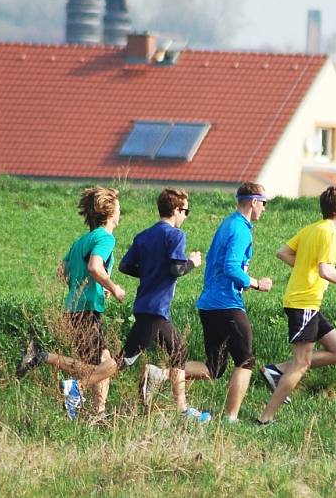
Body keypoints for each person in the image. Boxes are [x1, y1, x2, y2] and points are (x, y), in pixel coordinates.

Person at [257, 186, 336, 425]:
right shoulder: (329, 233)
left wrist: (304, 267)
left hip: (309, 304)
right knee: (301, 363)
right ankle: (266, 418)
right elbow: (325, 270)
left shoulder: (312, 229)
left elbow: (283, 252)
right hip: (303, 303)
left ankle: (276, 371)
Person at [16, 187, 124, 420]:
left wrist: (84, 285)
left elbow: (62, 272)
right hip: (87, 309)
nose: (120, 211)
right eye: (118, 206)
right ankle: (45, 359)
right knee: (103, 366)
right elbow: (95, 266)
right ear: (110, 212)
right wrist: (112, 287)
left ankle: (99, 412)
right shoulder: (105, 237)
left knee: (100, 360)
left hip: (74, 307)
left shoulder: (82, 240)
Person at [176, 182, 273, 423]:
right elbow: (231, 267)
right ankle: (231, 418)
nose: (265, 209)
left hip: (210, 303)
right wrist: (256, 283)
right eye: (264, 203)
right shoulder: (241, 230)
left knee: (214, 368)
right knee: (246, 360)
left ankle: (160, 374)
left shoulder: (228, 224)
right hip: (225, 304)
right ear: (253, 202)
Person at [117, 188, 211, 424]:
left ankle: (180, 407)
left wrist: (149, 272)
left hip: (145, 306)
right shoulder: (176, 236)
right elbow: (176, 269)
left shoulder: (143, 235)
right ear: (176, 210)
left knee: (132, 358)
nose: (186, 216)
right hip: (156, 307)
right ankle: (182, 411)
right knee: (129, 359)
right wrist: (193, 262)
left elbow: (125, 266)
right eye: (186, 211)